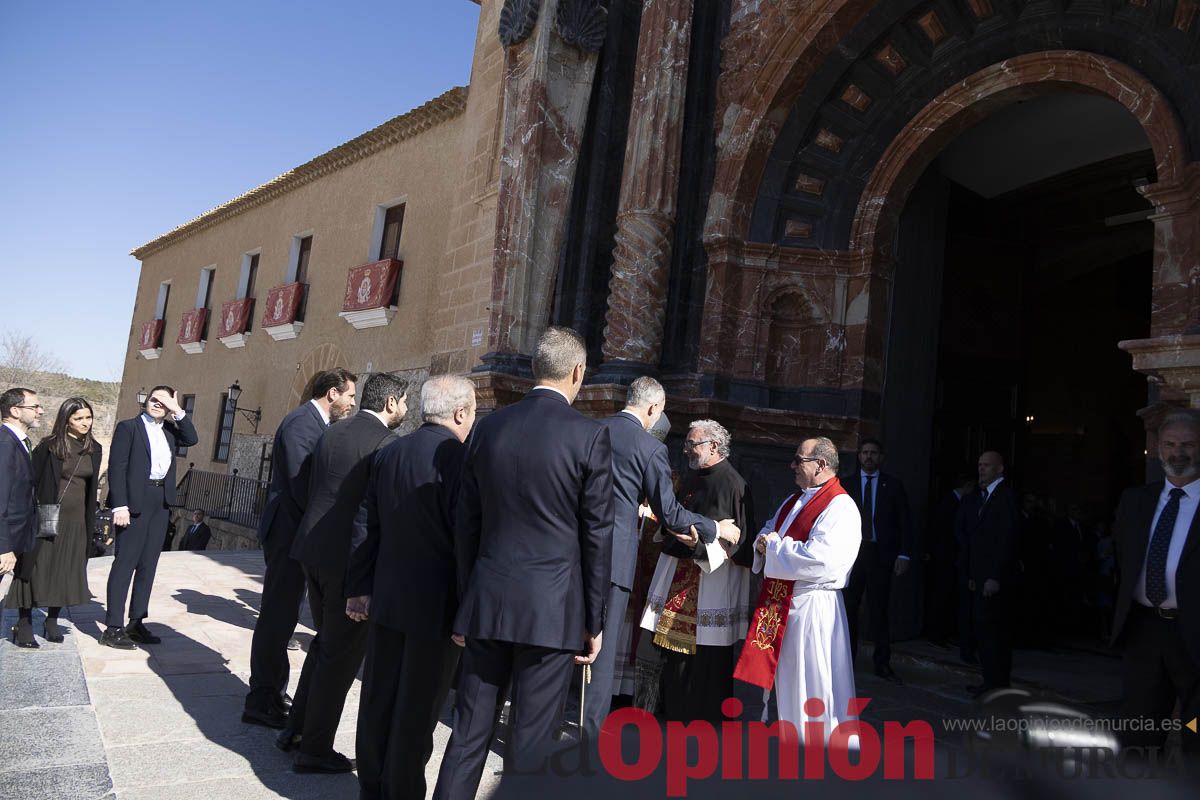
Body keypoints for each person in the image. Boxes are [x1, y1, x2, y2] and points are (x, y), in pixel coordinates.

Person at [433, 327, 613, 800]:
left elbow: (466, 522)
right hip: (552, 610)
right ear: (578, 372)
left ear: (536, 369)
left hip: (488, 601)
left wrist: (467, 598)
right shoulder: (590, 435)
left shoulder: (488, 428)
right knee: (532, 746)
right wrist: (594, 619)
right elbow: (597, 534)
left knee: (468, 733)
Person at [583, 377, 741, 737]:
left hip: (577, 552)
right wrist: (715, 528)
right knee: (602, 649)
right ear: (654, 407)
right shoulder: (648, 446)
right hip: (614, 560)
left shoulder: (591, 430)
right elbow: (669, 513)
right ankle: (590, 736)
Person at [347, 375, 476, 800]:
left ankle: (371, 785)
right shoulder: (461, 461)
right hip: (437, 608)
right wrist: (468, 609)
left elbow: (366, 524)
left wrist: (360, 586)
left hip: (388, 597)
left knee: (379, 698)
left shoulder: (391, 452)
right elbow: (466, 540)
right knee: (417, 710)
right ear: (460, 412)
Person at [284, 372, 407, 774]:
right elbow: (378, 513)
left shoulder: (333, 430)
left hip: (313, 549)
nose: (406, 409)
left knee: (325, 646)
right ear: (391, 402)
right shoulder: (386, 444)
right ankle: (314, 749)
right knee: (339, 659)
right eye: (404, 401)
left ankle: (295, 730)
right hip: (348, 564)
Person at [243, 368, 357, 729]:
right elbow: (302, 483)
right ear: (332, 393)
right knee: (276, 616)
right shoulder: (301, 424)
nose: (352, 403)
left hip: (296, 535)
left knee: (286, 615)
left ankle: (274, 691)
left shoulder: (316, 424)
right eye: (350, 396)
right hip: (287, 534)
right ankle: (260, 698)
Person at [736, 436, 860, 739]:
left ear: (821, 465)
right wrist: (766, 542)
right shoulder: (794, 500)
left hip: (813, 609)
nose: (792, 465)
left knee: (814, 680)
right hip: (786, 604)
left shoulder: (840, 507)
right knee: (790, 680)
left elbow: (821, 559)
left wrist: (773, 547)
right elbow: (769, 529)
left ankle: (820, 744)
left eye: (799, 460)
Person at [638, 419, 754, 722]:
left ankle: (702, 714)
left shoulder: (733, 484)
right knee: (671, 653)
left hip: (710, 580)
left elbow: (738, 541)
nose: (686, 450)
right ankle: (673, 708)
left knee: (705, 655)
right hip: (680, 570)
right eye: (687, 443)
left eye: (693, 444)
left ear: (713, 446)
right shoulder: (693, 478)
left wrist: (698, 546)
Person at [1111, 411, 1200, 757]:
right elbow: (1123, 557)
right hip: (1144, 630)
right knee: (1139, 729)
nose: (1178, 453)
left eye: (1188, 444)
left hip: (1194, 632)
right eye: (1170, 444)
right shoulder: (1135, 501)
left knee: (1196, 730)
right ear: (1158, 448)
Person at [102, 386, 198, 650]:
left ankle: (136, 622)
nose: (157, 404)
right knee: (125, 563)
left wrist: (177, 410)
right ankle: (113, 627)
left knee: (148, 564)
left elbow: (192, 438)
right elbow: (117, 467)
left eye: (163, 402)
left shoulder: (170, 430)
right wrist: (119, 505)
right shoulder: (128, 428)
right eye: (154, 399)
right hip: (134, 500)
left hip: (160, 501)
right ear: (146, 401)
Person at [6, 398, 102, 647]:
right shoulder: (49, 446)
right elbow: (30, 481)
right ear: (66, 420)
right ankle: (24, 623)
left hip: (78, 521)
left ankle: (52, 621)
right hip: (47, 517)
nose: (85, 423)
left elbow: (91, 488)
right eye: (78, 418)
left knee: (65, 570)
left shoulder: (94, 448)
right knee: (34, 569)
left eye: (88, 417)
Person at [842, 438, 913, 683]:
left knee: (879, 610)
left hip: (880, 555)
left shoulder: (893, 485)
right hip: (853, 554)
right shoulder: (846, 484)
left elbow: (905, 522)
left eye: (873, 453)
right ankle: (846, 661)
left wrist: (904, 554)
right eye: (865, 452)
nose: (869, 457)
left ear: (881, 457)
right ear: (859, 456)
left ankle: (882, 663)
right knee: (848, 609)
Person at [956, 450, 1019, 696]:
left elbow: (1006, 539)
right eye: (980, 465)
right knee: (984, 630)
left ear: (1000, 469)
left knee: (994, 631)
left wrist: (995, 576)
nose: (981, 469)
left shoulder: (1005, 497)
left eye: (987, 465)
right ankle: (991, 681)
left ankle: (997, 685)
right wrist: (973, 574)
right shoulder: (981, 497)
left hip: (994, 579)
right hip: (980, 577)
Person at [1, 387, 43, 618]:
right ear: (15, 411)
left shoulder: (19, 442)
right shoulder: (5, 444)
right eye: (34, 406)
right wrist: (4, 547)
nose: (40, 411)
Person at [924, 472, 975, 648]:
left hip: (950, 557)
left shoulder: (956, 502)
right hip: (943, 557)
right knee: (941, 594)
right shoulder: (948, 503)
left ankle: (945, 632)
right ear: (967, 486)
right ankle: (936, 634)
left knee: (948, 595)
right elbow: (939, 530)